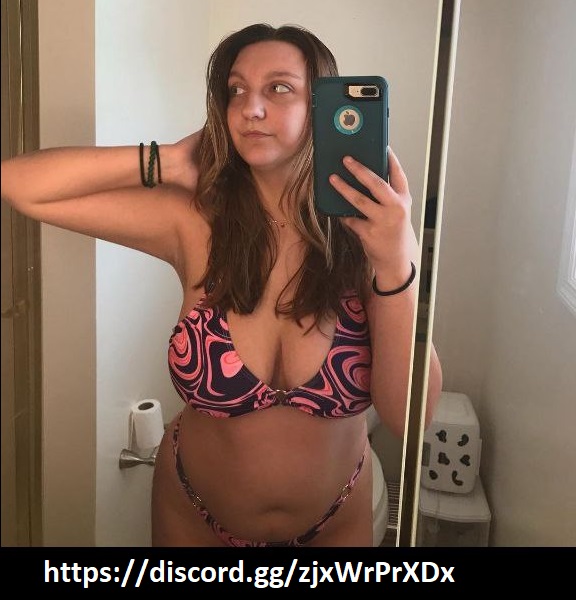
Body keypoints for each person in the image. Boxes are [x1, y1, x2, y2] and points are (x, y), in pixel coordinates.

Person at [1, 23, 442, 547]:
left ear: (322, 107)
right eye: (236, 89)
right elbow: (20, 186)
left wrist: (394, 262)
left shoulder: (372, 233)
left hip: (336, 521)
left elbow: (410, 418)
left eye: (279, 88)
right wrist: (167, 160)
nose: (250, 108)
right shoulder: (193, 223)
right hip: (193, 514)